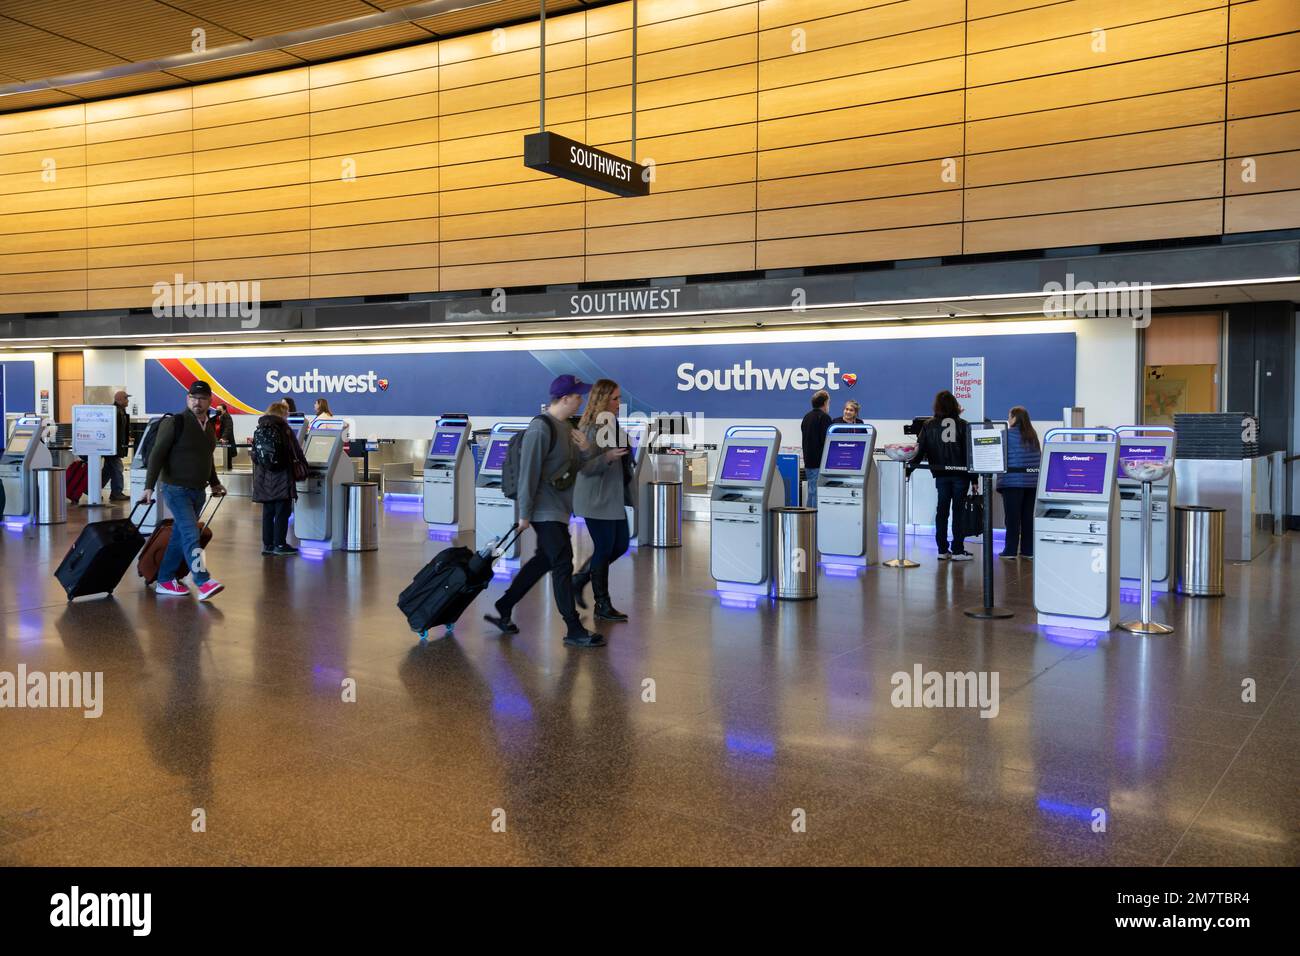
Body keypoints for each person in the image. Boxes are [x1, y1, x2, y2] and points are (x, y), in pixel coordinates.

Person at [483, 374, 605, 648]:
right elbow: (529, 473)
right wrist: (524, 514)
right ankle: (573, 628)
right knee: (563, 562)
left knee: (545, 560)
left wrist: (586, 449)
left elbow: (578, 467)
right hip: (543, 510)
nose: (581, 401)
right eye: (577, 397)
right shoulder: (541, 428)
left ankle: (504, 605)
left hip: (560, 510)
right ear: (564, 399)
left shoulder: (566, 428)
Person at [141, 380, 227, 600]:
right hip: (175, 488)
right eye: (193, 398)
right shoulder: (175, 422)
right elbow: (157, 455)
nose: (197, 402)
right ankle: (203, 581)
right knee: (190, 533)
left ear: (210, 401)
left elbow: (206, 459)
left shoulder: (208, 427)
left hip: (198, 491)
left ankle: (165, 578)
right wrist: (149, 486)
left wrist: (215, 482)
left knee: (180, 536)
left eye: (202, 398)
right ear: (187, 399)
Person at [570, 379, 632, 622]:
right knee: (606, 548)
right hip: (595, 499)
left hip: (612, 496)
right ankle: (602, 604)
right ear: (603, 399)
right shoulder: (588, 428)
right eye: (615, 398)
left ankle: (580, 579)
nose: (619, 403)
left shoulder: (611, 424)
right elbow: (584, 468)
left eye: (619, 398)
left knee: (620, 545)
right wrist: (606, 456)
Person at [909, 389, 974, 561]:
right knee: (958, 511)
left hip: (941, 474)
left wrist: (908, 470)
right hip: (961, 475)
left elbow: (919, 450)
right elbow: (970, 453)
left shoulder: (929, 425)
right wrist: (974, 479)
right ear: (954, 405)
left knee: (942, 511)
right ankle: (958, 550)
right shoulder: (963, 424)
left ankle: (942, 550)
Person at [252, 400, 307, 557]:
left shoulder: (260, 428)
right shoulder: (284, 429)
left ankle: (268, 545)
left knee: (268, 512)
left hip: (263, 477)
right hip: (282, 476)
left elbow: (254, 455)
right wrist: (303, 466)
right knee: (282, 512)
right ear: (282, 414)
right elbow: (294, 451)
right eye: (286, 414)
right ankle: (280, 544)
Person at [997, 406, 1040, 560]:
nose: (1008, 420)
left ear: (1015, 418)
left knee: (1012, 518)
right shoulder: (1032, 435)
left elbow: (998, 456)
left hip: (1012, 482)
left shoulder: (1005, 435)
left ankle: (1010, 550)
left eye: (1009, 416)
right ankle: (1028, 550)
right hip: (1032, 483)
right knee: (1027, 517)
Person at [801, 389, 832, 508]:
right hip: (819, 462)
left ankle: (809, 521)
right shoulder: (824, 418)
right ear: (825, 403)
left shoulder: (807, 417)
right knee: (817, 494)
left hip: (809, 461)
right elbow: (826, 441)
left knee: (812, 492)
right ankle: (815, 523)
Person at [104, 389, 131, 502]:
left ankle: (89, 489)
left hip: (114, 446)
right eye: (125, 398)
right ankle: (117, 493)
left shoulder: (120, 411)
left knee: (108, 470)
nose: (128, 400)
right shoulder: (115, 411)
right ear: (119, 400)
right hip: (113, 447)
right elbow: (112, 430)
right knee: (118, 468)